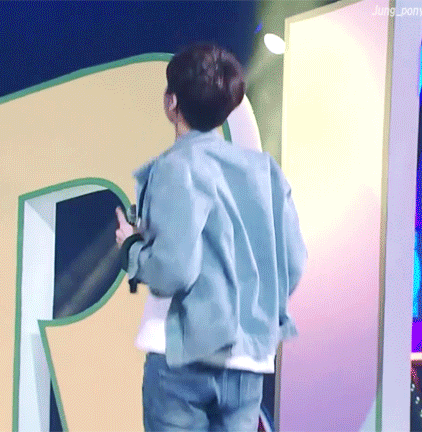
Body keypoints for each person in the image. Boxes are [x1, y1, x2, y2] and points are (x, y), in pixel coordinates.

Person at [115, 43, 307, 432]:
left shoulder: (176, 166)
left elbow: (173, 271)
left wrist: (132, 249)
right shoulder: (264, 171)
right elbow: (293, 263)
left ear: (172, 102)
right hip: (247, 363)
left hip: (181, 359)